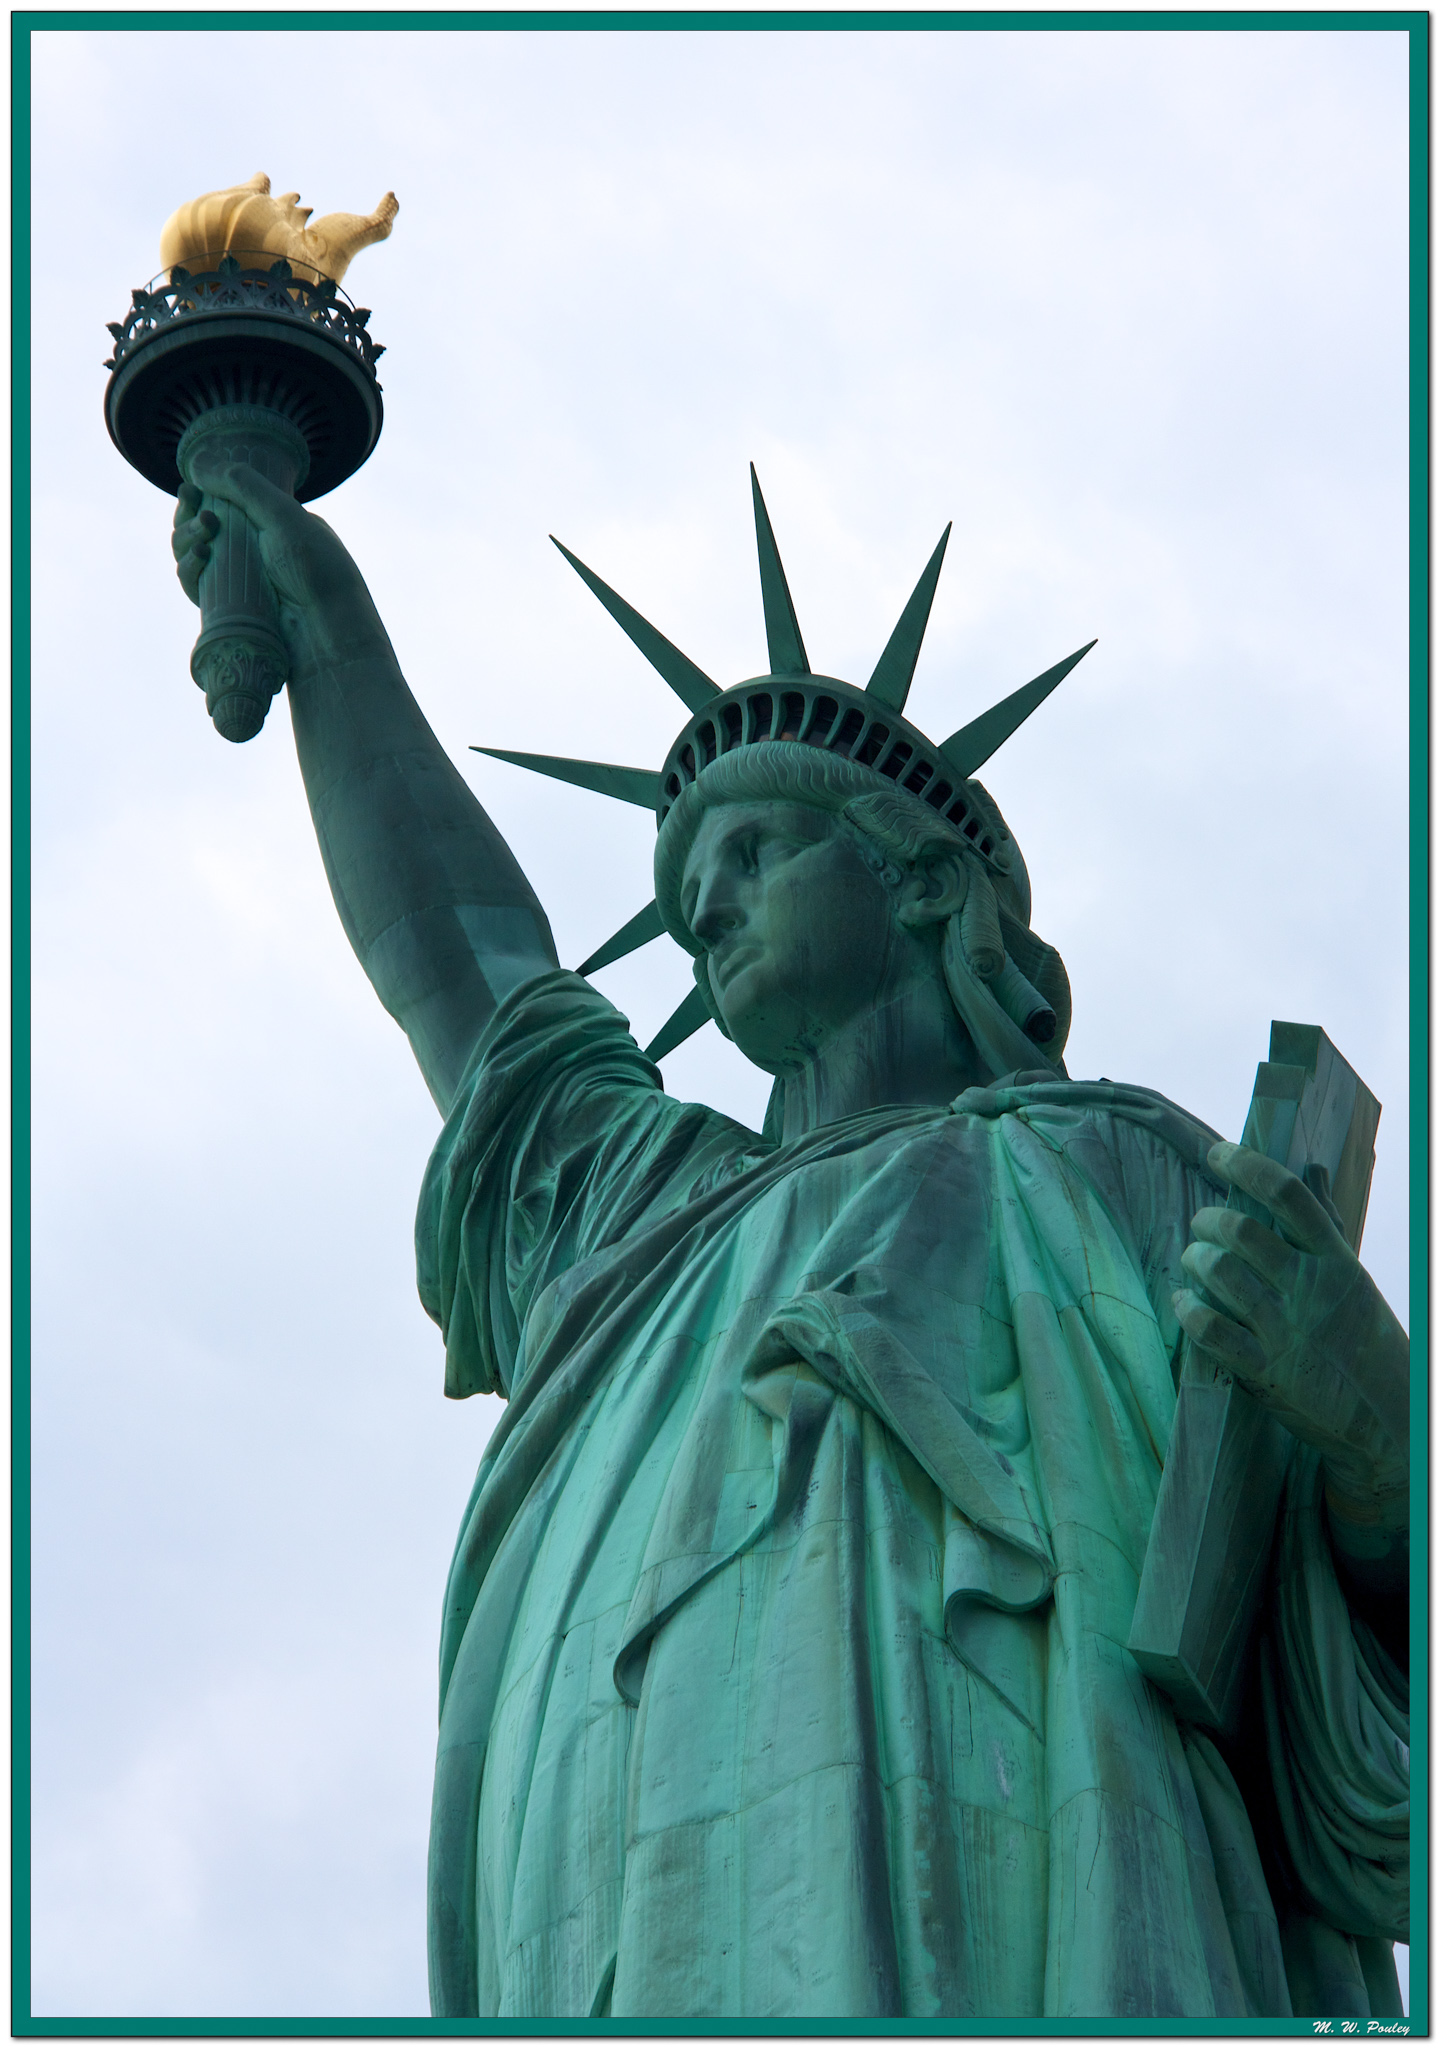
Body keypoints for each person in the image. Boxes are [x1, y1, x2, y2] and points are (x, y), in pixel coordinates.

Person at [170, 460, 1409, 2023]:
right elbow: (466, 981)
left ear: (924, 881)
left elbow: (1357, 1653)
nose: (711, 908)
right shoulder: (651, 1219)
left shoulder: (1126, 1170)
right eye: (692, 897)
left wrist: (1374, 1425)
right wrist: (331, 642)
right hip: (645, 1921)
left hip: (1043, 1899)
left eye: (759, 854)